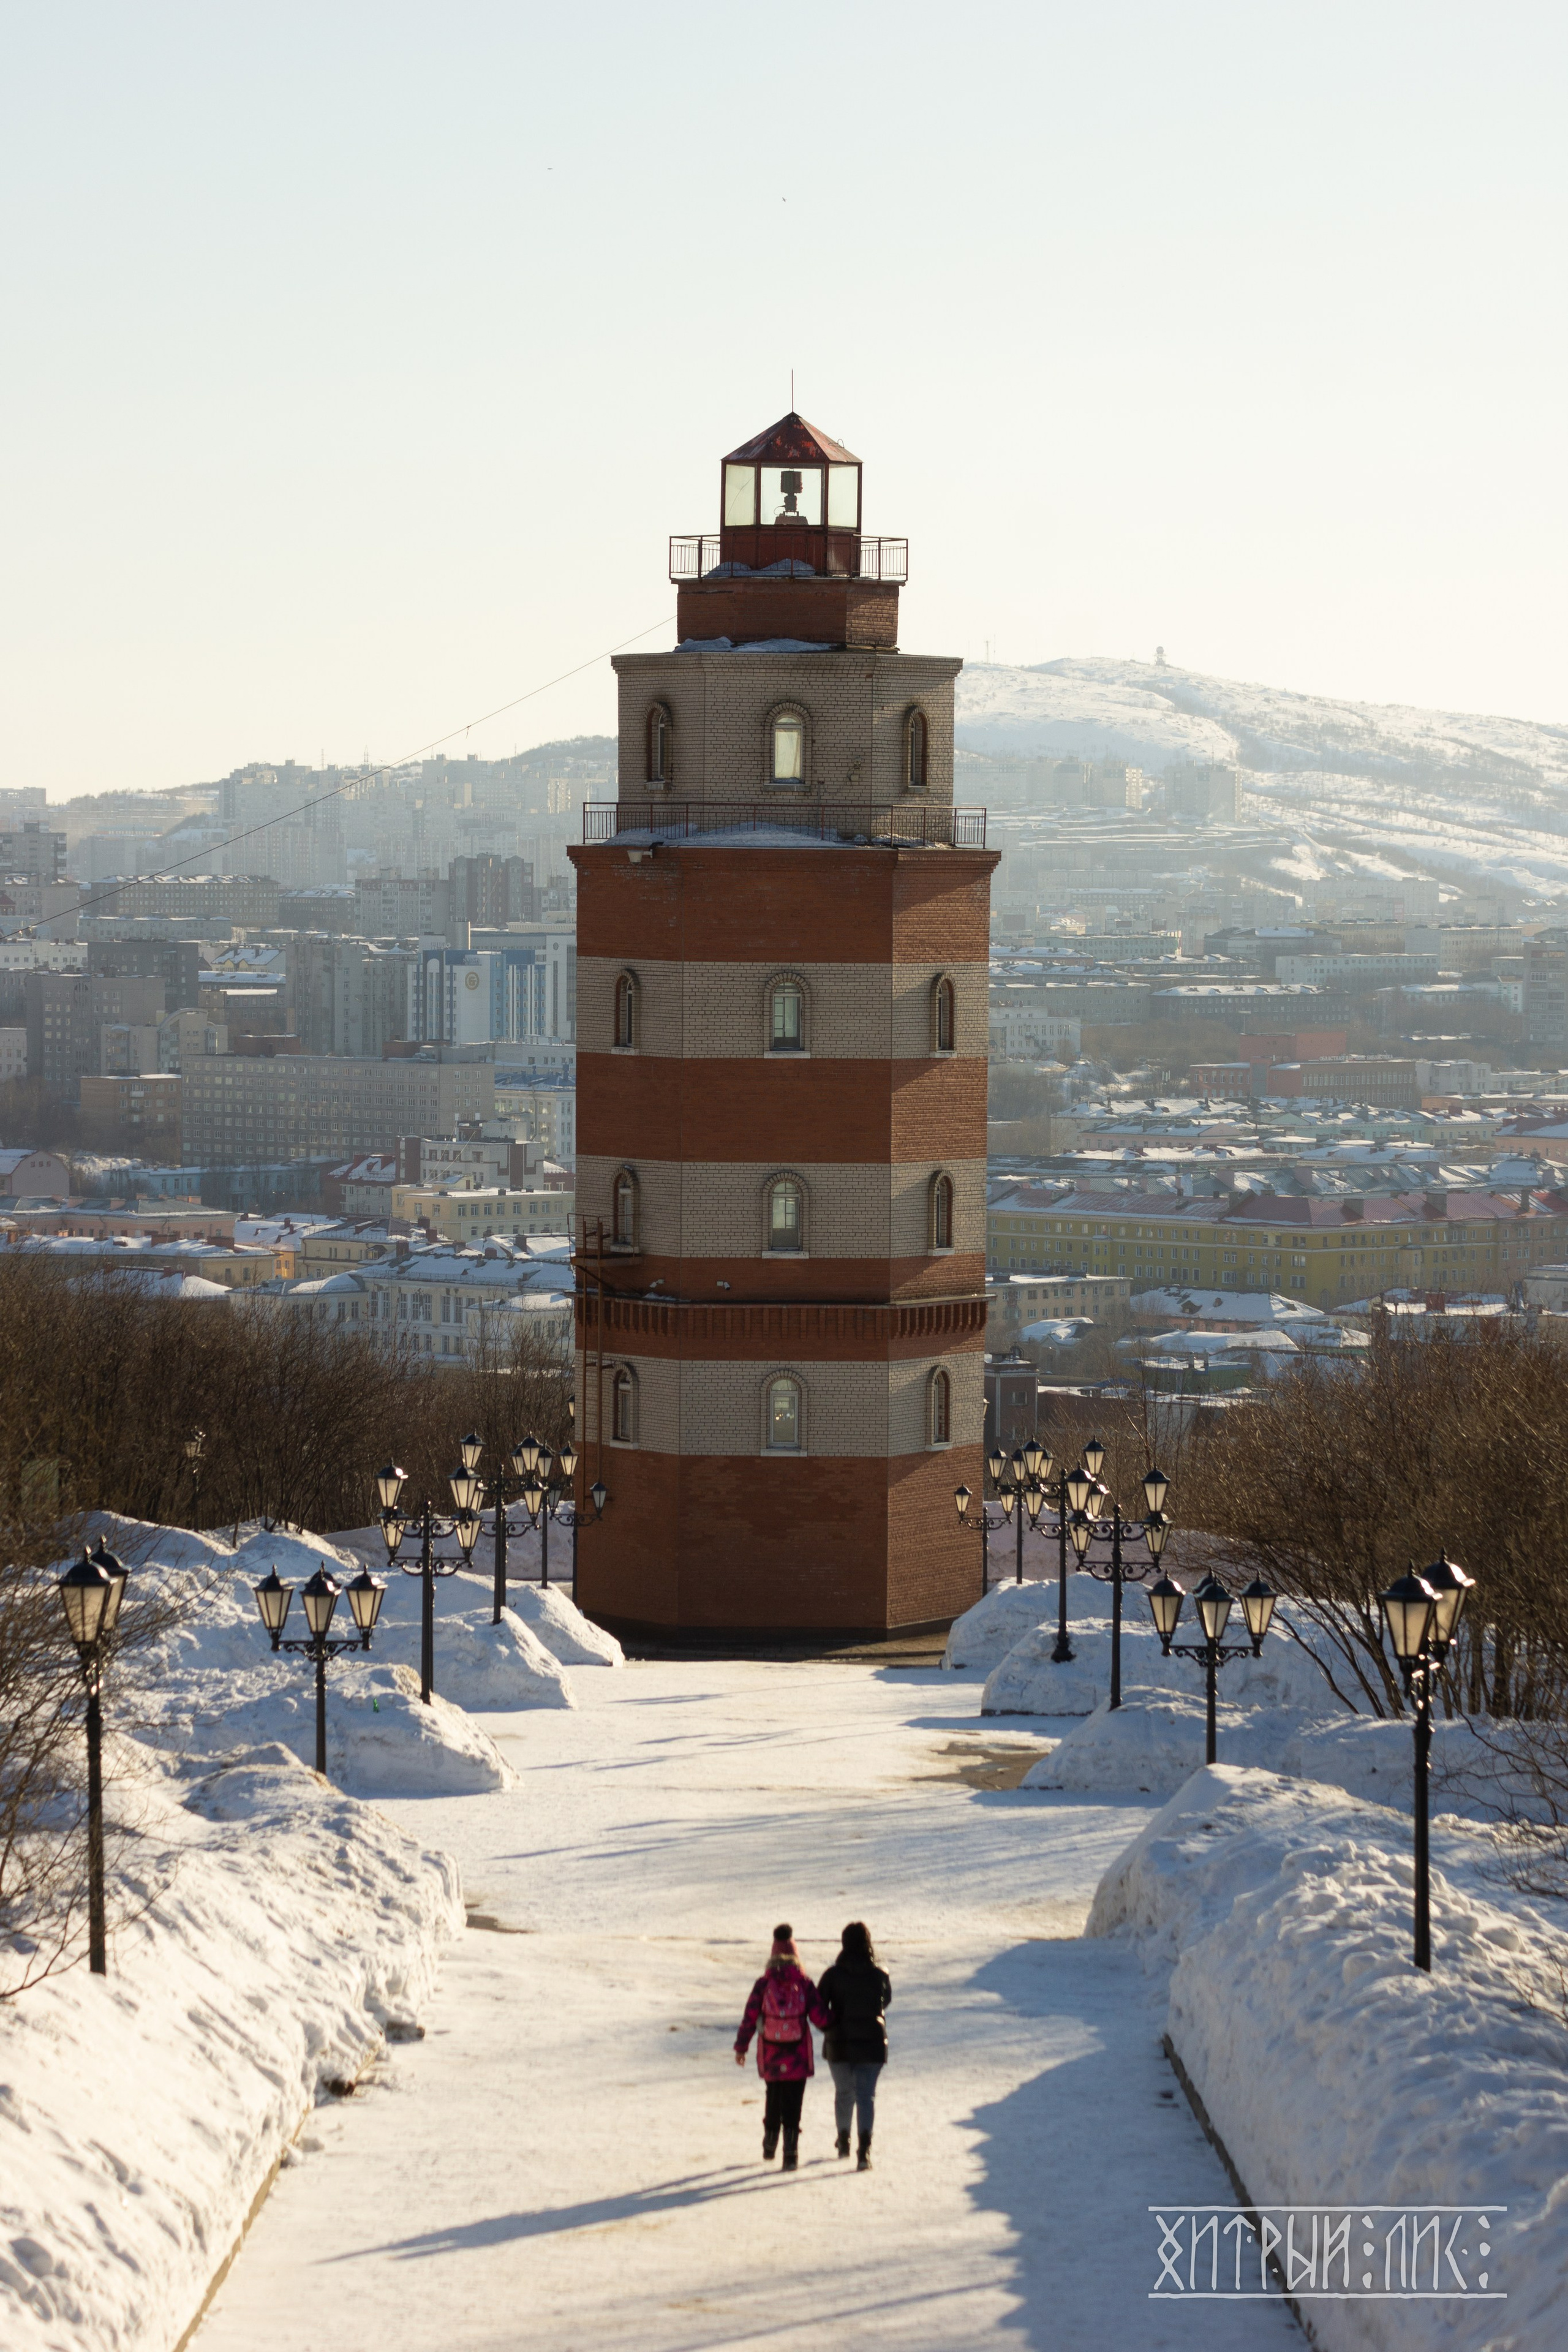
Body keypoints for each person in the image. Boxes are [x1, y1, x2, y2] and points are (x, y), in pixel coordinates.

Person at [734, 1923, 828, 2171]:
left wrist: (741, 2047)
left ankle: (770, 2142)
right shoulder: (805, 1983)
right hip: (798, 2054)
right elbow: (821, 2018)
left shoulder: (763, 1984)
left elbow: (750, 2018)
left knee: (773, 2096)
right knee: (794, 2101)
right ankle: (791, 2154)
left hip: (771, 2052)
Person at [818, 1920, 891, 2171]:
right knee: (866, 2096)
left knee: (844, 2093)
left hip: (839, 2044)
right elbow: (885, 2001)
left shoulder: (832, 1975)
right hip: (872, 2043)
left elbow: (818, 2007)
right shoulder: (880, 1975)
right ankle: (865, 2150)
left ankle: (844, 2139)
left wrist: (829, 2027)